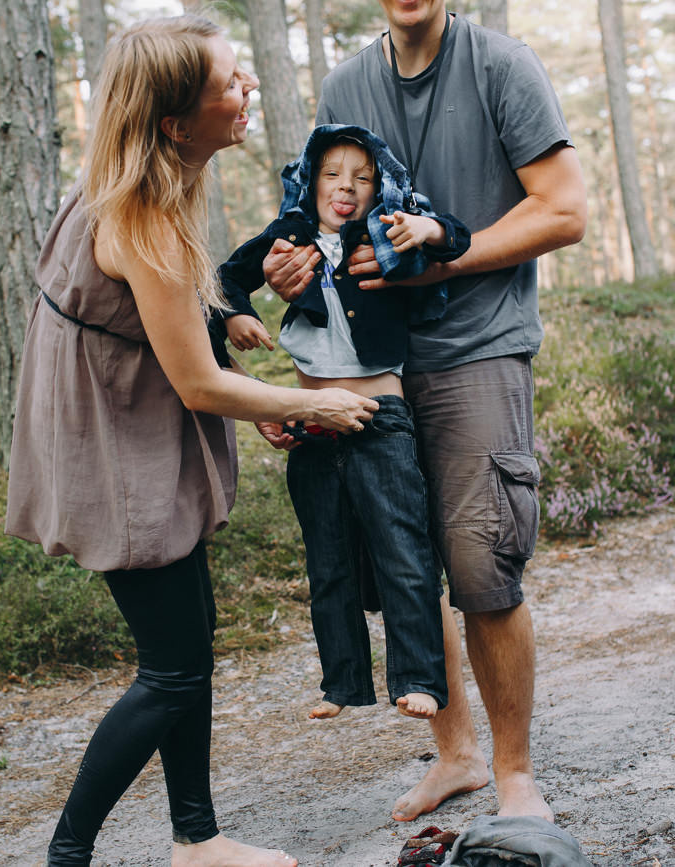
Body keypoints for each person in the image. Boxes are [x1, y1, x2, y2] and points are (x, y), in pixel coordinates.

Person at [4, 16, 378, 867]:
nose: (247, 94)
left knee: (187, 644)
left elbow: (164, 325)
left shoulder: (137, 182)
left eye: (244, 76)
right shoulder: (144, 218)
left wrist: (228, 319)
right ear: (175, 122)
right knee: (170, 668)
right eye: (231, 84)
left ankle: (197, 841)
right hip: (117, 450)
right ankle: (68, 855)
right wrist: (313, 404)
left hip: (127, 428)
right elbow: (199, 386)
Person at [261, 0, 588, 824]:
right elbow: (319, 221)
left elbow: (564, 210)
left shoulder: (502, 67)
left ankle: (516, 776)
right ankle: (457, 755)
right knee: (406, 566)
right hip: (374, 371)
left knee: (481, 563)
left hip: (478, 347)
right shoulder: (344, 84)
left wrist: (437, 259)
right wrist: (291, 273)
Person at [213, 124, 471, 721]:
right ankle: (342, 683)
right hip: (309, 424)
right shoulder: (287, 239)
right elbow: (224, 278)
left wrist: (425, 228)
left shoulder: (388, 231)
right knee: (327, 561)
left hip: (381, 417)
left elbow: (453, 238)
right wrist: (236, 317)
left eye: (363, 176)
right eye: (332, 174)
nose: (346, 187)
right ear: (310, 179)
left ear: (380, 186)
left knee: (403, 551)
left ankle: (419, 679)